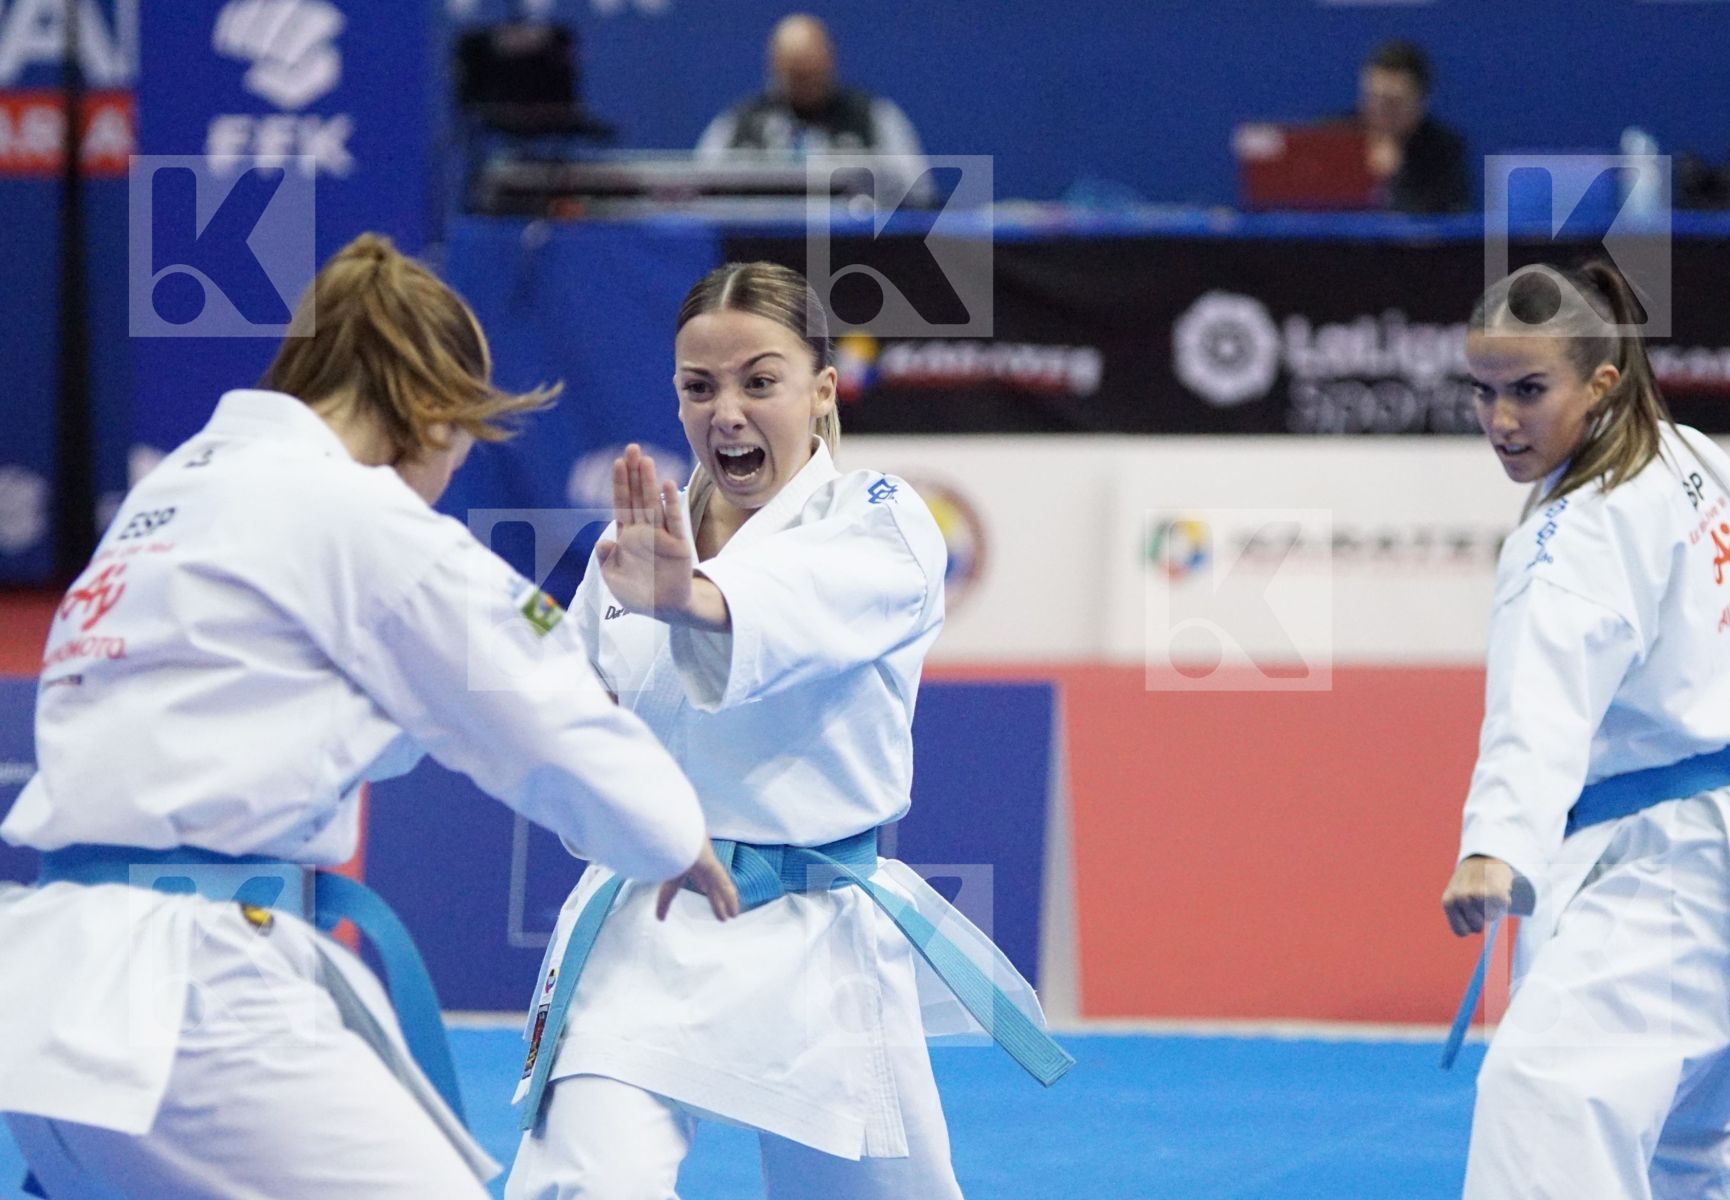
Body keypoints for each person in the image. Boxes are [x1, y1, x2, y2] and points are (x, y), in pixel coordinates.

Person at [0, 233, 739, 1200]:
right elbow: (542, 709)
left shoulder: (173, 500)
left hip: (47, 1005)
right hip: (190, 1006)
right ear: (429, 414)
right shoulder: (353, 514)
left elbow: (313, 713)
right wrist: (670, 825)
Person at [507, 261, 1067, 1200]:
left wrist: (693, 599)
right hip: (650, 924)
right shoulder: (634, 554)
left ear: (820, 390)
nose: (727, 410)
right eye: (699, 387)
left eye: (759, 382)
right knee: (584, 1184)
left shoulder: (882, 525)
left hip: (818, 936)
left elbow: (802, 611)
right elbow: (567, 730)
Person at [1442, 260, 1730, 1199]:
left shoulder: (1572, 538)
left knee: (1542, 1103)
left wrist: (1495, 847)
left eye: (1528, 390)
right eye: (1482, 393)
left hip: (1669, 877)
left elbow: (1539, 707)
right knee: (1698, 1140)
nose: (1501, 420)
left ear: (1601, 383)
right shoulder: (1683, 453)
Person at [696, 13, 930, 194]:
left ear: (830, 62)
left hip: (854, 247)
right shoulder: (741, 123)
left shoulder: (871, 116)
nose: (805, 84)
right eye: (795, 75)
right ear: (775, 67)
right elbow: (698, 187)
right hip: (760, 246)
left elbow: (918, 191)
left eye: (812, 72)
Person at [1360, 40, 1470, 214]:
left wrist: (1394, 176)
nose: (1380, 109)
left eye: (1393, 101)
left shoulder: (1444, 149)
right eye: (1373, 97)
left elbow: (1450, 216)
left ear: (1420, 100)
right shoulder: (1336, 136)